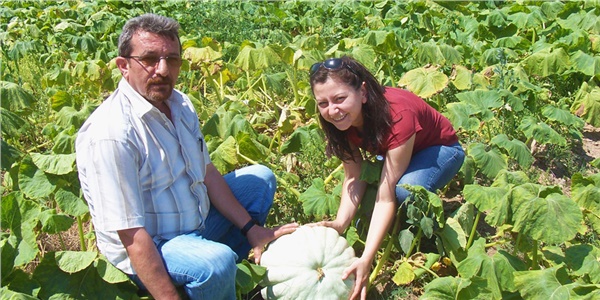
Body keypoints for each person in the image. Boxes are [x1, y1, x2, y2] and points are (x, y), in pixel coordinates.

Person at [75, 14, 297, 300]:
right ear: (123, 66)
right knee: (214, 263)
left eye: (172, 59)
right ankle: (205, 276)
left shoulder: (180, 103)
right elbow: (131, 234)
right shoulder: (111, 134)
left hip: (197, 222)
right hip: (156, 244)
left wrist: (252, 228)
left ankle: (223, 271)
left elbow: (206, 173)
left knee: (260, 180)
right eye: (150, 59)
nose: (163, 70)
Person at [308, 56, 465, 300]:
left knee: (404, 190)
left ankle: (430, 235)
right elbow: (353, 174)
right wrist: (340, 223)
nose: (332, 110)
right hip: (398, 151)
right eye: (323, 103)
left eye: (340, 99)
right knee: (378, 191)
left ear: (362, 92)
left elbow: (385, 196)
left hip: (441, 150)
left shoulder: (397, 115)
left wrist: (366, 259)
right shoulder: (339, 121)